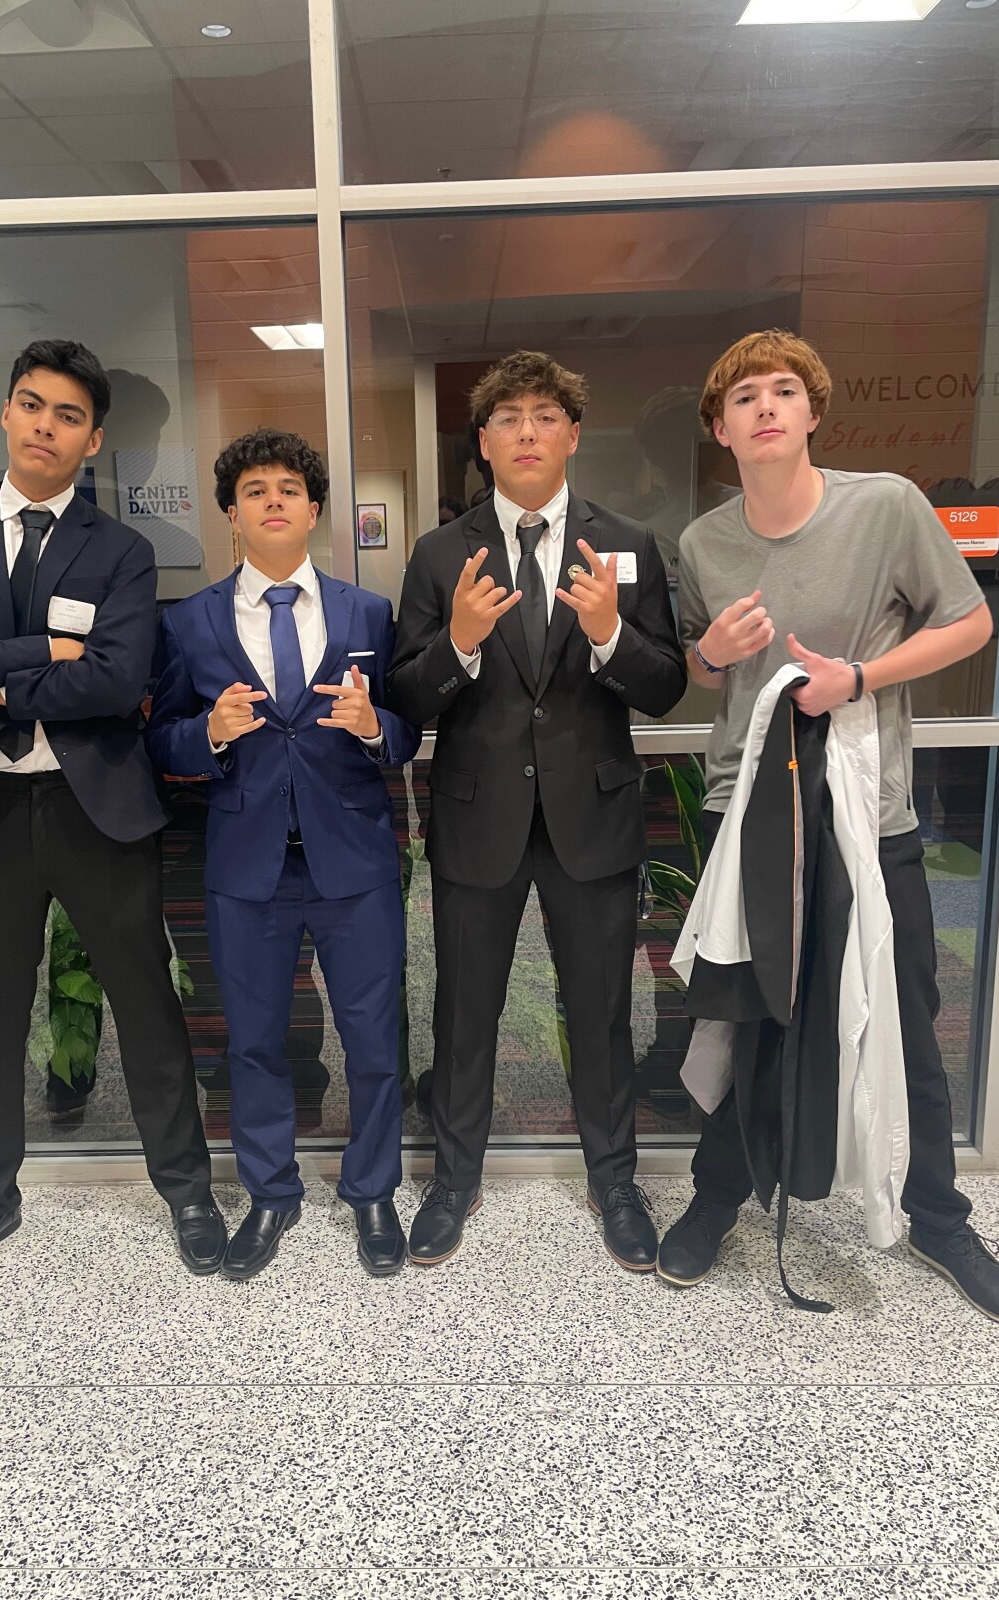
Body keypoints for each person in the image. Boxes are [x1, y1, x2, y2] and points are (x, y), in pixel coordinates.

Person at [661, 328, 999, 1330]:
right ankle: (718, 1195)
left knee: (904, 1012)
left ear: (813, 412)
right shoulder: (703, 543)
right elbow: (699, 671)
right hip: (748, 818)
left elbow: (970, 624)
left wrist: (858, 678)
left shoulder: (887, 506)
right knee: (741, 1011)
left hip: (869, 813)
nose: (766, 409)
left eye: (784, 391)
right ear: (720, 428)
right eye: (744, 398)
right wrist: (708, 653)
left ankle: (940, 1220)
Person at [0, 339, 224, 1298]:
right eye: (33, 405)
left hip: (96, 811)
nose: (46, 426)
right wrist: (44, 650)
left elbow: (115, 684)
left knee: (146, 1007)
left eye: (69, 415)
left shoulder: (121, 551)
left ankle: (187, 1191)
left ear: (93, 440)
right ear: (6, 412)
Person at [387, 349, 686, 1269]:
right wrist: (459, 644)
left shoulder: (627, 543)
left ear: (573, 435)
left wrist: (608, 633)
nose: (527, 431)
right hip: (478, 817)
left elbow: (666, 686)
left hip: (591, 818)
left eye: (545, 416)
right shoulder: (442, 552)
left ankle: (614, 1182)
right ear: (482, 442)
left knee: (602, 1011)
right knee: (464, 1011)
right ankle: (453, 1180)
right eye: (508, 418)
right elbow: (406, 695)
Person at [146, 428, 421, 1280]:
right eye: (255, 490)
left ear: (313, 510)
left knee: (373, 1038)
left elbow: (408, 732)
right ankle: (271, 1193)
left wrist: (375, 726)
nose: (273, 501)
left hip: (354, 862)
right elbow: (161, 739)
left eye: (289, 489)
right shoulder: (188, 621)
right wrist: (209, 733)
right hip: (246, 866)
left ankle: (372, 1189)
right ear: (232, 515)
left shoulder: (366, 613)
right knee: (255, 1041)